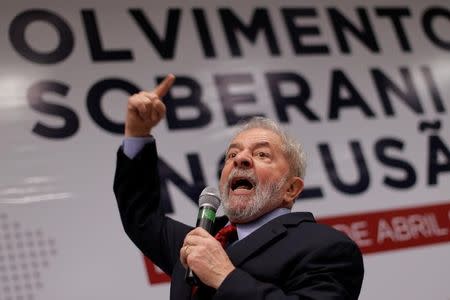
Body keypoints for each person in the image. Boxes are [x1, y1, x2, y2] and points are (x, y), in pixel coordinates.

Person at [113, 74, 364, 299]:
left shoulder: (326, 247)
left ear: (291, 189)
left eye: (262, 154)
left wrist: (224, 276)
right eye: (232, 155)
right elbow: (141, 216)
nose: (240, 159)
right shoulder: (199, 240)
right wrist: (137, 134)